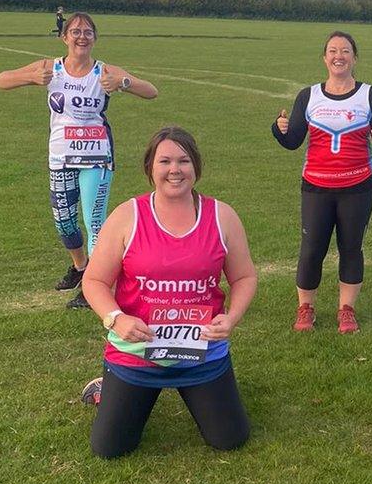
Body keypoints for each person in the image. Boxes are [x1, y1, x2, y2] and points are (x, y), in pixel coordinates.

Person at [82, 126, 256, 458]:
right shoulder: (126, 216)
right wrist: (116, 319)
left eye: (183, 161)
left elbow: (245, 276)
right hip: (136, 354)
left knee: (230, 438)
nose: (174, 170)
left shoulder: (222, 216)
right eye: (164, 161)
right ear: (150, 168)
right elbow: (94, 281)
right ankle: (107, 389)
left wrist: (231, 318)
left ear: (196, 168)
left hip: (201, 354)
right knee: (110, 448)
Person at [0, 12, 158, 309]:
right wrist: (30, 77)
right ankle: (80, 267)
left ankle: (93, 285)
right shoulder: (50, 68)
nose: (82, 36)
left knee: (95, 222)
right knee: (64, 224)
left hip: (96, 158)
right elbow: (0, 81)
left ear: (95, 38)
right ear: (64, 37)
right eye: (75, 31)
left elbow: (150, 91)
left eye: (88, 32)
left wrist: (121, 82)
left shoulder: (103, 71)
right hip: (60, 156)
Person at [271, 30, 372, 333]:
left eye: (345, 51)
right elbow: (293, 141)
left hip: (358, 186)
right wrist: (279, 129)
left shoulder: (371, 94)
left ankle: (346, 310)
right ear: (324, 57)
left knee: (351, 248)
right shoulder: (308, 95)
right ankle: (305, 308)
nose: (339, 56)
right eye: (333, 51)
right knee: (312, 249)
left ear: (355, 57)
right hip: (316, 187)